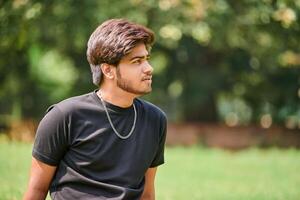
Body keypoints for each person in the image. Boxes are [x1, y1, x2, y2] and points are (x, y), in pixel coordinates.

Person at [23, 18, 167, 200]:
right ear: (108, 70)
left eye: (146, 59)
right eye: (136, 61)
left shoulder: (155, 119)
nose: (149, 68)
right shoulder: (64, 116)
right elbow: (36, 191)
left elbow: (147, 195)